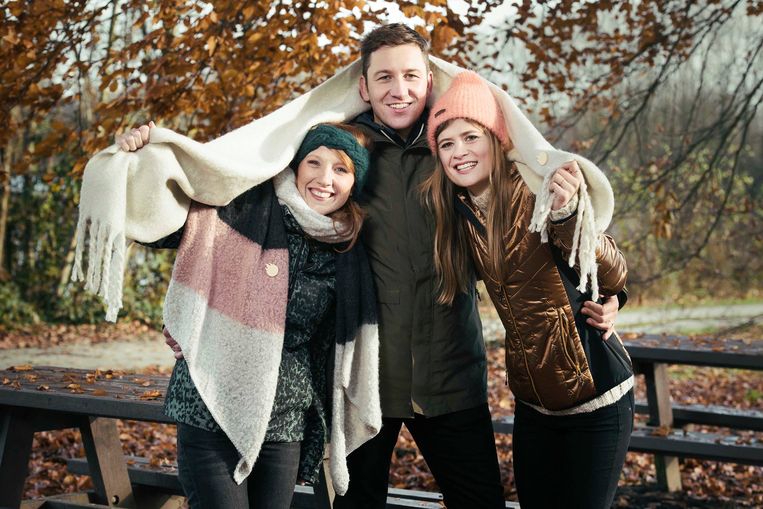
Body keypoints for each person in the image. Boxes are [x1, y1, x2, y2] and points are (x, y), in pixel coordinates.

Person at [332, 24, 625, 509]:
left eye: (410, 75)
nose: (399, 89)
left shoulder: (457, 154)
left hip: (451, 377)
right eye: (384, 77)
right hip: (368, 380)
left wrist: (611, 295)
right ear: (363, 87)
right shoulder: (346, 155)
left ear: (429, 80)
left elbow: (549, 236)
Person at [110, 123, 381, 509]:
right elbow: (158, 225)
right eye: (314, 163)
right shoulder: (244, 206)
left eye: (341, 169)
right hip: (210, 404)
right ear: (295, 167)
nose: (324, 179)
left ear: (354, 183)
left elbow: (329, 347)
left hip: (284, 418)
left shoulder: (346, 248)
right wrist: (139, 160)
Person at [422, 70, 633, 509]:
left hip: (597, 397)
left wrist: (569, 216)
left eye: (471, 137)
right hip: (534, 406)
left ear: (496, 139)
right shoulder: (457, 212)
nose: (460, 152)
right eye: (447, 143)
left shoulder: (538, 189)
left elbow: (612, 274)